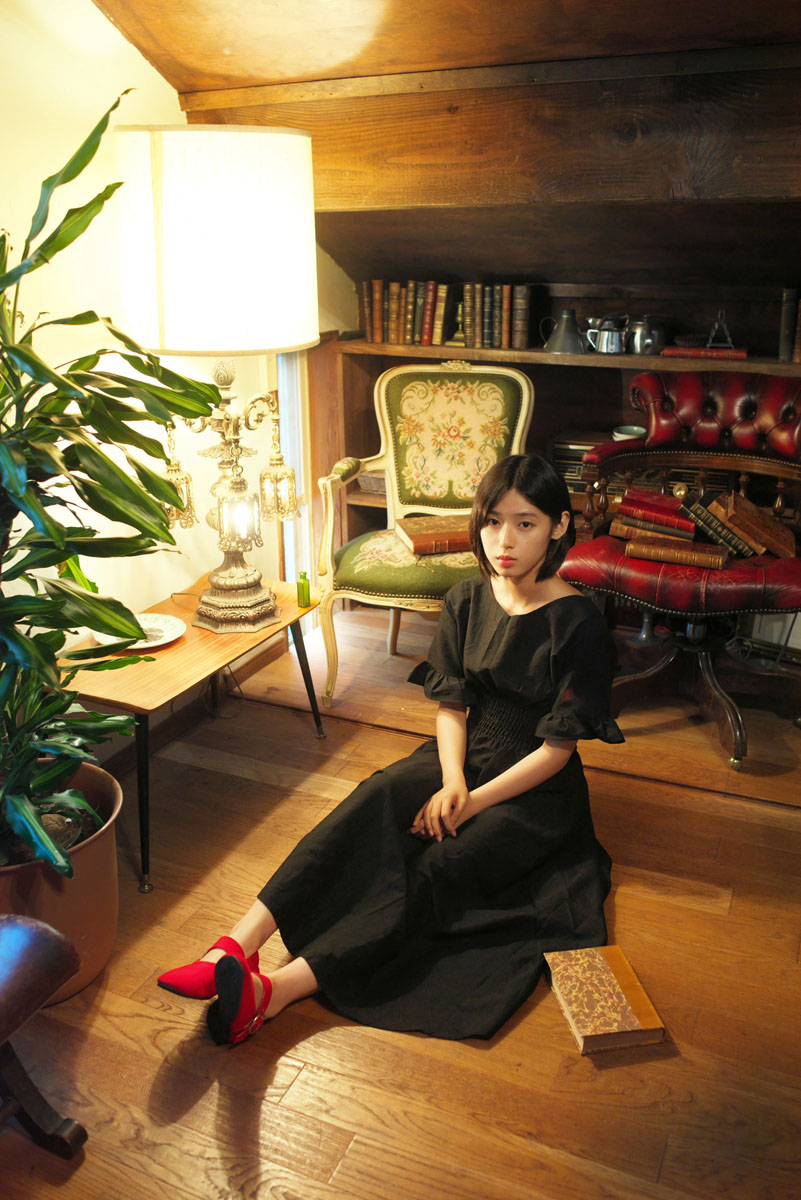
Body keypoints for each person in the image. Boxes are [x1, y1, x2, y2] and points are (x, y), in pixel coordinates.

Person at [158, 452, 624, 1044]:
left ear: (559, 526)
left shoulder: (579, 622)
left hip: (535, 786)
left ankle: (273, 991)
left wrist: (473, 802)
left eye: (525, 523)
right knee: (374, 797)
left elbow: (557, 751)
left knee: (440, 865)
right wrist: (453, 781)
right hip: (464, 752)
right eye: (492, 521)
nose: (504, 540)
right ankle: (232, 945)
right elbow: (451, 706)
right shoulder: (466, 598)